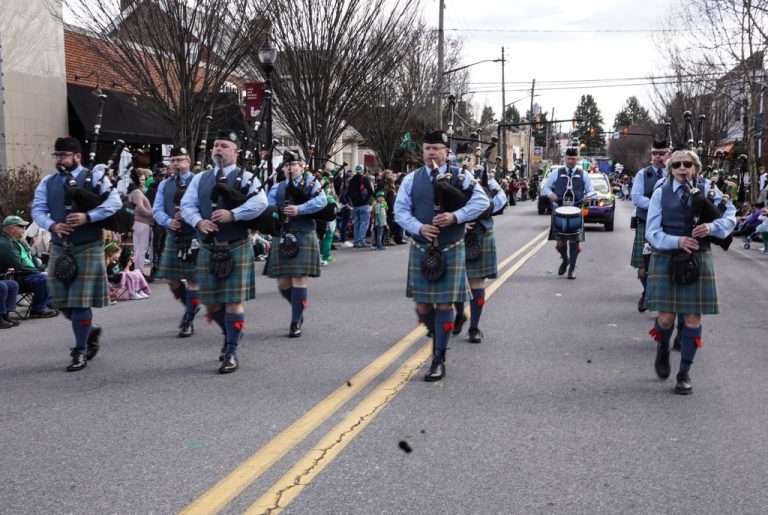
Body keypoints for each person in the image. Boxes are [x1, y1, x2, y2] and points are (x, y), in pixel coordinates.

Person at [394, 129, 490, 382]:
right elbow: (400, 211)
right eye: (427, 148)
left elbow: (482, 203)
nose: (431, 153)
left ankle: (439, 358)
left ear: (446, 152)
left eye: (436, 148)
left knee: (444, 305)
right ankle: (437, 332)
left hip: (450, 246)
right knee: (423, 306)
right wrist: (418, 227)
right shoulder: (411, 179)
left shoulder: (462, 176)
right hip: (421, 246)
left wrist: (454, 216)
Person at [645, 148, 736, 395]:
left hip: (699, 258)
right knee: (666, 318)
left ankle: (684, 372)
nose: (682, 169)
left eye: (687, 164)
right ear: (670, 169)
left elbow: (731, 216)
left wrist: (711, 226)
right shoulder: (660, 193)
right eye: (676, 165)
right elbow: (651, 232)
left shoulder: (709, 190)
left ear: (695, 167)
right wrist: (677, 241)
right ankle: (662, 347)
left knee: (692, 318)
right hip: (667, 257)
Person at [31, 136, 122, 371]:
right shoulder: (48, 182)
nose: (60, 159)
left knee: (80, 303)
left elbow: (114, 203)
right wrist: (51, 225)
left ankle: (80, 349)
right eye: (57, 155)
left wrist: (88, 216)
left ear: (77, 157)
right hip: (61, 246)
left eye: (64, 155)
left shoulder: (95, 178)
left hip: (88, 245)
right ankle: (89, 331)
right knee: (60, 301)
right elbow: (38, 209)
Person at [180, 130, 268, 373]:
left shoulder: (248, 177)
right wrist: (198, 222)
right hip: (208, 246)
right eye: (216, 145)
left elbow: (260, 203)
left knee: (232, 303)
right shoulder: (200, 179)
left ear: (235, 152)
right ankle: (231, 333)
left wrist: (234, 214)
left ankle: (231, 350)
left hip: (236, 245)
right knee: (212, 305)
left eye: (224, 146)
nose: (218, 149)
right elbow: (187, 205)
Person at [265, 150, 327, 337]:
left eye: (293, 165)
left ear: (301, 166)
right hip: (282, 234)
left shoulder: (311, 182)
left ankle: (295, 321)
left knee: (299, 277)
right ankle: (298, 306)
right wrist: (277, 215)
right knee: (283, 283)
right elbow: (268, 207)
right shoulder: (277, 187)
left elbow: (322, 201)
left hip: (304, 232)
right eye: (286, 165)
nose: (290, 168)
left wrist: (299, 209)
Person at [452, 163, 507, 344]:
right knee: (457, 282)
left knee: (476, 282)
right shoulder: (451, 176)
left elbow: (501, 199)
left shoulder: (485, 178)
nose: (463, 161)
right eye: (459, 158)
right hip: (455, 233)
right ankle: (460, 314)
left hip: (480, 232)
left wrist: (481, 212)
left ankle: (474, 327)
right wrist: (459, 221)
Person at [152, 146, 201, 337]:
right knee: (171, 279)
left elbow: (206, 208)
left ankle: (188, 318)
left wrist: (191, 216)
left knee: (193, 280)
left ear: (188, 162)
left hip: (194, 237)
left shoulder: (198, 182)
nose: (176, 164)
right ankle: (191, 306)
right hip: (174, 236)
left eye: (180, 160)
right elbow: (157, 210)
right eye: (173, 161)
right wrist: (168, 221)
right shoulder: (165, 185)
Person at [541, 147, 596, 279]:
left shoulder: (583, 174)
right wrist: (550, 194)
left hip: (576, 211)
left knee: (574, 242)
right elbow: (546, 187)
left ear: (577, 159)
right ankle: (565, 260)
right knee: (560, 243)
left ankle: (571, 268)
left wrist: (589, 196)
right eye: (569, 158)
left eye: (573, 159)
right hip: (559, 210)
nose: (571, 161)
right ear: (565, 158)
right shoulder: (556, 173)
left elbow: (591, 191)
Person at [631, 140, 669, 312]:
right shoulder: (642, 174)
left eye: (661, 153)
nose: (658, 157)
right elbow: (637, 198)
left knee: (664, 268)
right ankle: (647, 293)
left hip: (668, 227)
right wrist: (659, 205)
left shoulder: (673, 173)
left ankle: (658, 297)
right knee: (643, 269)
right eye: (655, 153)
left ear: (668, 154)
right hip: (645, 224)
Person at [0, 215, 58, 318]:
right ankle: (38, 310)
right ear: (12, 228)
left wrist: (43, 268)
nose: (24, 229)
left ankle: (50, 303)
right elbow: (18, 265)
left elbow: (33, 259)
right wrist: (38, 272)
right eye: (21, 227)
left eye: (25, 227)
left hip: (27, 274)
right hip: (15, 277)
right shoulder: (4, 243)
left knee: (51, 272)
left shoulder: (19, 242)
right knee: (43, 278)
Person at [128, 170, 154, 276]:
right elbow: (139, 208)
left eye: (144, 179)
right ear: (137, 180)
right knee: (140, 249)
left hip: (138, 222)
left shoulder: (133, 192)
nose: (144, 181)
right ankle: (140, 274)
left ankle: (139, 272)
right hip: (142, 222)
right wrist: (152, 214)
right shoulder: (137, 192)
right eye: (142, 179)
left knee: (139, 249)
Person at [348, 164, 374, 247]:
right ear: (363, 171)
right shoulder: (364, 178)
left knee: (357, 223)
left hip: (355, 205)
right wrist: (366, 198)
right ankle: (361, 241)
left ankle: (356, 241)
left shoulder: (351, 180)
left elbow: (348, 192)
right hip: (364, 204)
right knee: (364, 224)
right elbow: (371, 190)